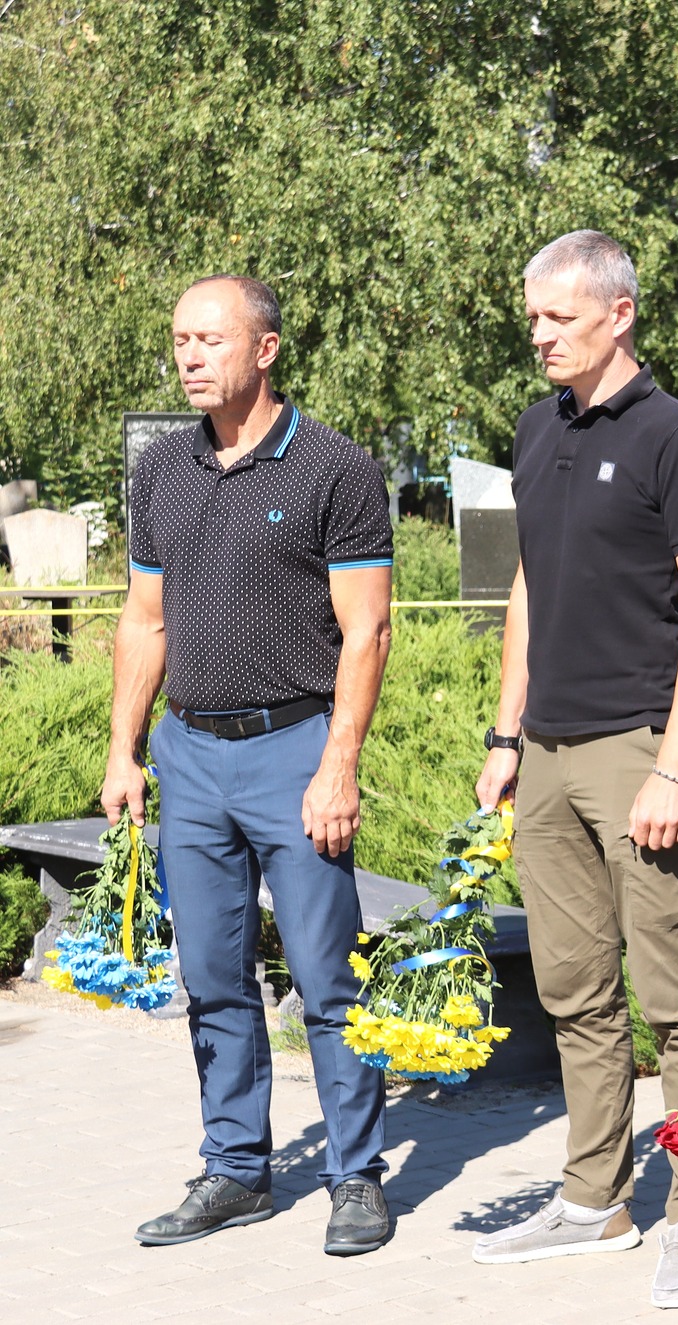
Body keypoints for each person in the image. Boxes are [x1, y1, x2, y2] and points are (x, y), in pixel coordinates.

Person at [468, 230, 678, 1312]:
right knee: (572, 987)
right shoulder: (538, 428)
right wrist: (506, 737)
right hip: (546, 749)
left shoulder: (677, 436)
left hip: (640, 745)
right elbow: (530, 586)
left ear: (619, 313)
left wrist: (674, 765)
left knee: (676, 999)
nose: (539, 335)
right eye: (532, 317)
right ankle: (595, 1198)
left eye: (560, 316)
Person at [105, 274, 395, 1255]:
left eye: (210, 339)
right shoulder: (162, 469)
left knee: (327, 978)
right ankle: (235, 1169)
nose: (189, 357)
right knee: (212, 977)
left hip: (294, 751)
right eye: (180, 340)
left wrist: (338, 765)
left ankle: (356, 1176)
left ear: (265, 349)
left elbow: (367, 632)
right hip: (189, 756)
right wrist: (124, 749)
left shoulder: (334, 467)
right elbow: (144, 620)